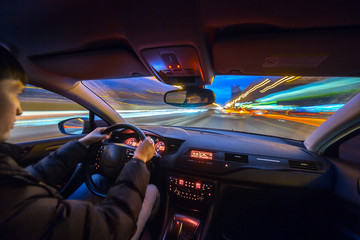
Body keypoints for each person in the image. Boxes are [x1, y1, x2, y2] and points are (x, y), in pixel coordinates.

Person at [0, 46, 159, 240]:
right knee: (151, 190)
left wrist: (82, 144)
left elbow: (32, 177)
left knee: (100, 181)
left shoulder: (8, 181)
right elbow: (113, 228)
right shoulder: (11, 204)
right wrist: (139, 161)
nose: (19, 110)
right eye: (15, 93)